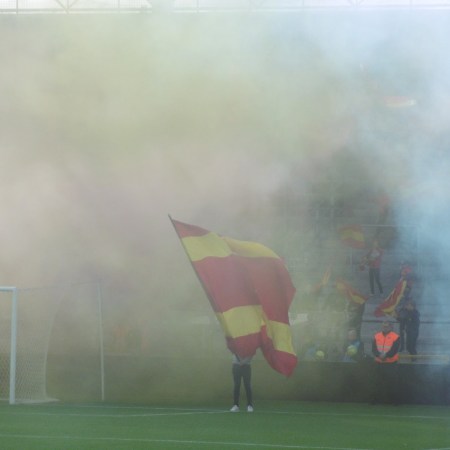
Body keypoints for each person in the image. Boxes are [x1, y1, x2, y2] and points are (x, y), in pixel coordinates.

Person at [371, 321, 401, 404]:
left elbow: (394, 350)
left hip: (391, 364)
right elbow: (374, 349)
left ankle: (394, 401)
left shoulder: (396, 337)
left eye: (387, 326)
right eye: (383, 326)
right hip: (379, 363)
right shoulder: (377, 336)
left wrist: (385, 355)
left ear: (391, 327)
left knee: (392, 383)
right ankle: (375, 400)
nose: (385, 328)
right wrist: (379, 355)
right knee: (377, 382)